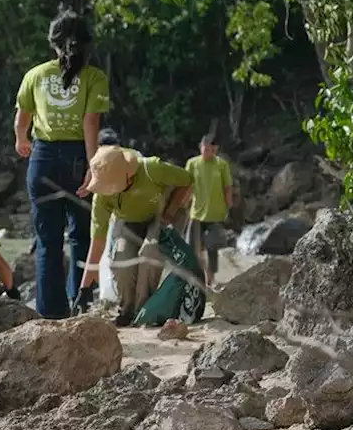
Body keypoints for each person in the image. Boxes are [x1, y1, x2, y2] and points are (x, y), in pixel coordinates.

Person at [14, 8, 110, 319]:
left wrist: (22, 141)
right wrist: (92, 164)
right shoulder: (95, 78)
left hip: (41, 159)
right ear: (86, 43)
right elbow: (90, 123)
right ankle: (80, 303)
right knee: (82, 235)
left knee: (47, 241)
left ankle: (50, 314)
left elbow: (21, 122)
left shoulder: (35, 75)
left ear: (53, 43)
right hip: (76, 158)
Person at [74, 144, 193, 325]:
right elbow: (96, 243)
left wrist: (171, 210)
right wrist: (84, 289)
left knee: (149, 253)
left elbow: (187, 180)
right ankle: (127, 311)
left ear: (129, 176)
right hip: (128, 221)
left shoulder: (152, 168)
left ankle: (143, 311)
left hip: (161, 216)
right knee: (121, 260)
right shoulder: (102, 197)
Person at [182, 133, 233, 286]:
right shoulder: (192, 163)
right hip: (196, 213)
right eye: (205, 149)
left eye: (211, 150)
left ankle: (211, 279)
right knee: (191, 248)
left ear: (216, 149)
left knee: (212, 248)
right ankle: (196, 277)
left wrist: (228, 205)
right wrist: (183, 202)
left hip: (215, 213)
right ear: (200, 147)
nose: (207, 152)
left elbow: (228, 187)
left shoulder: (221, 165)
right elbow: (187, 186)